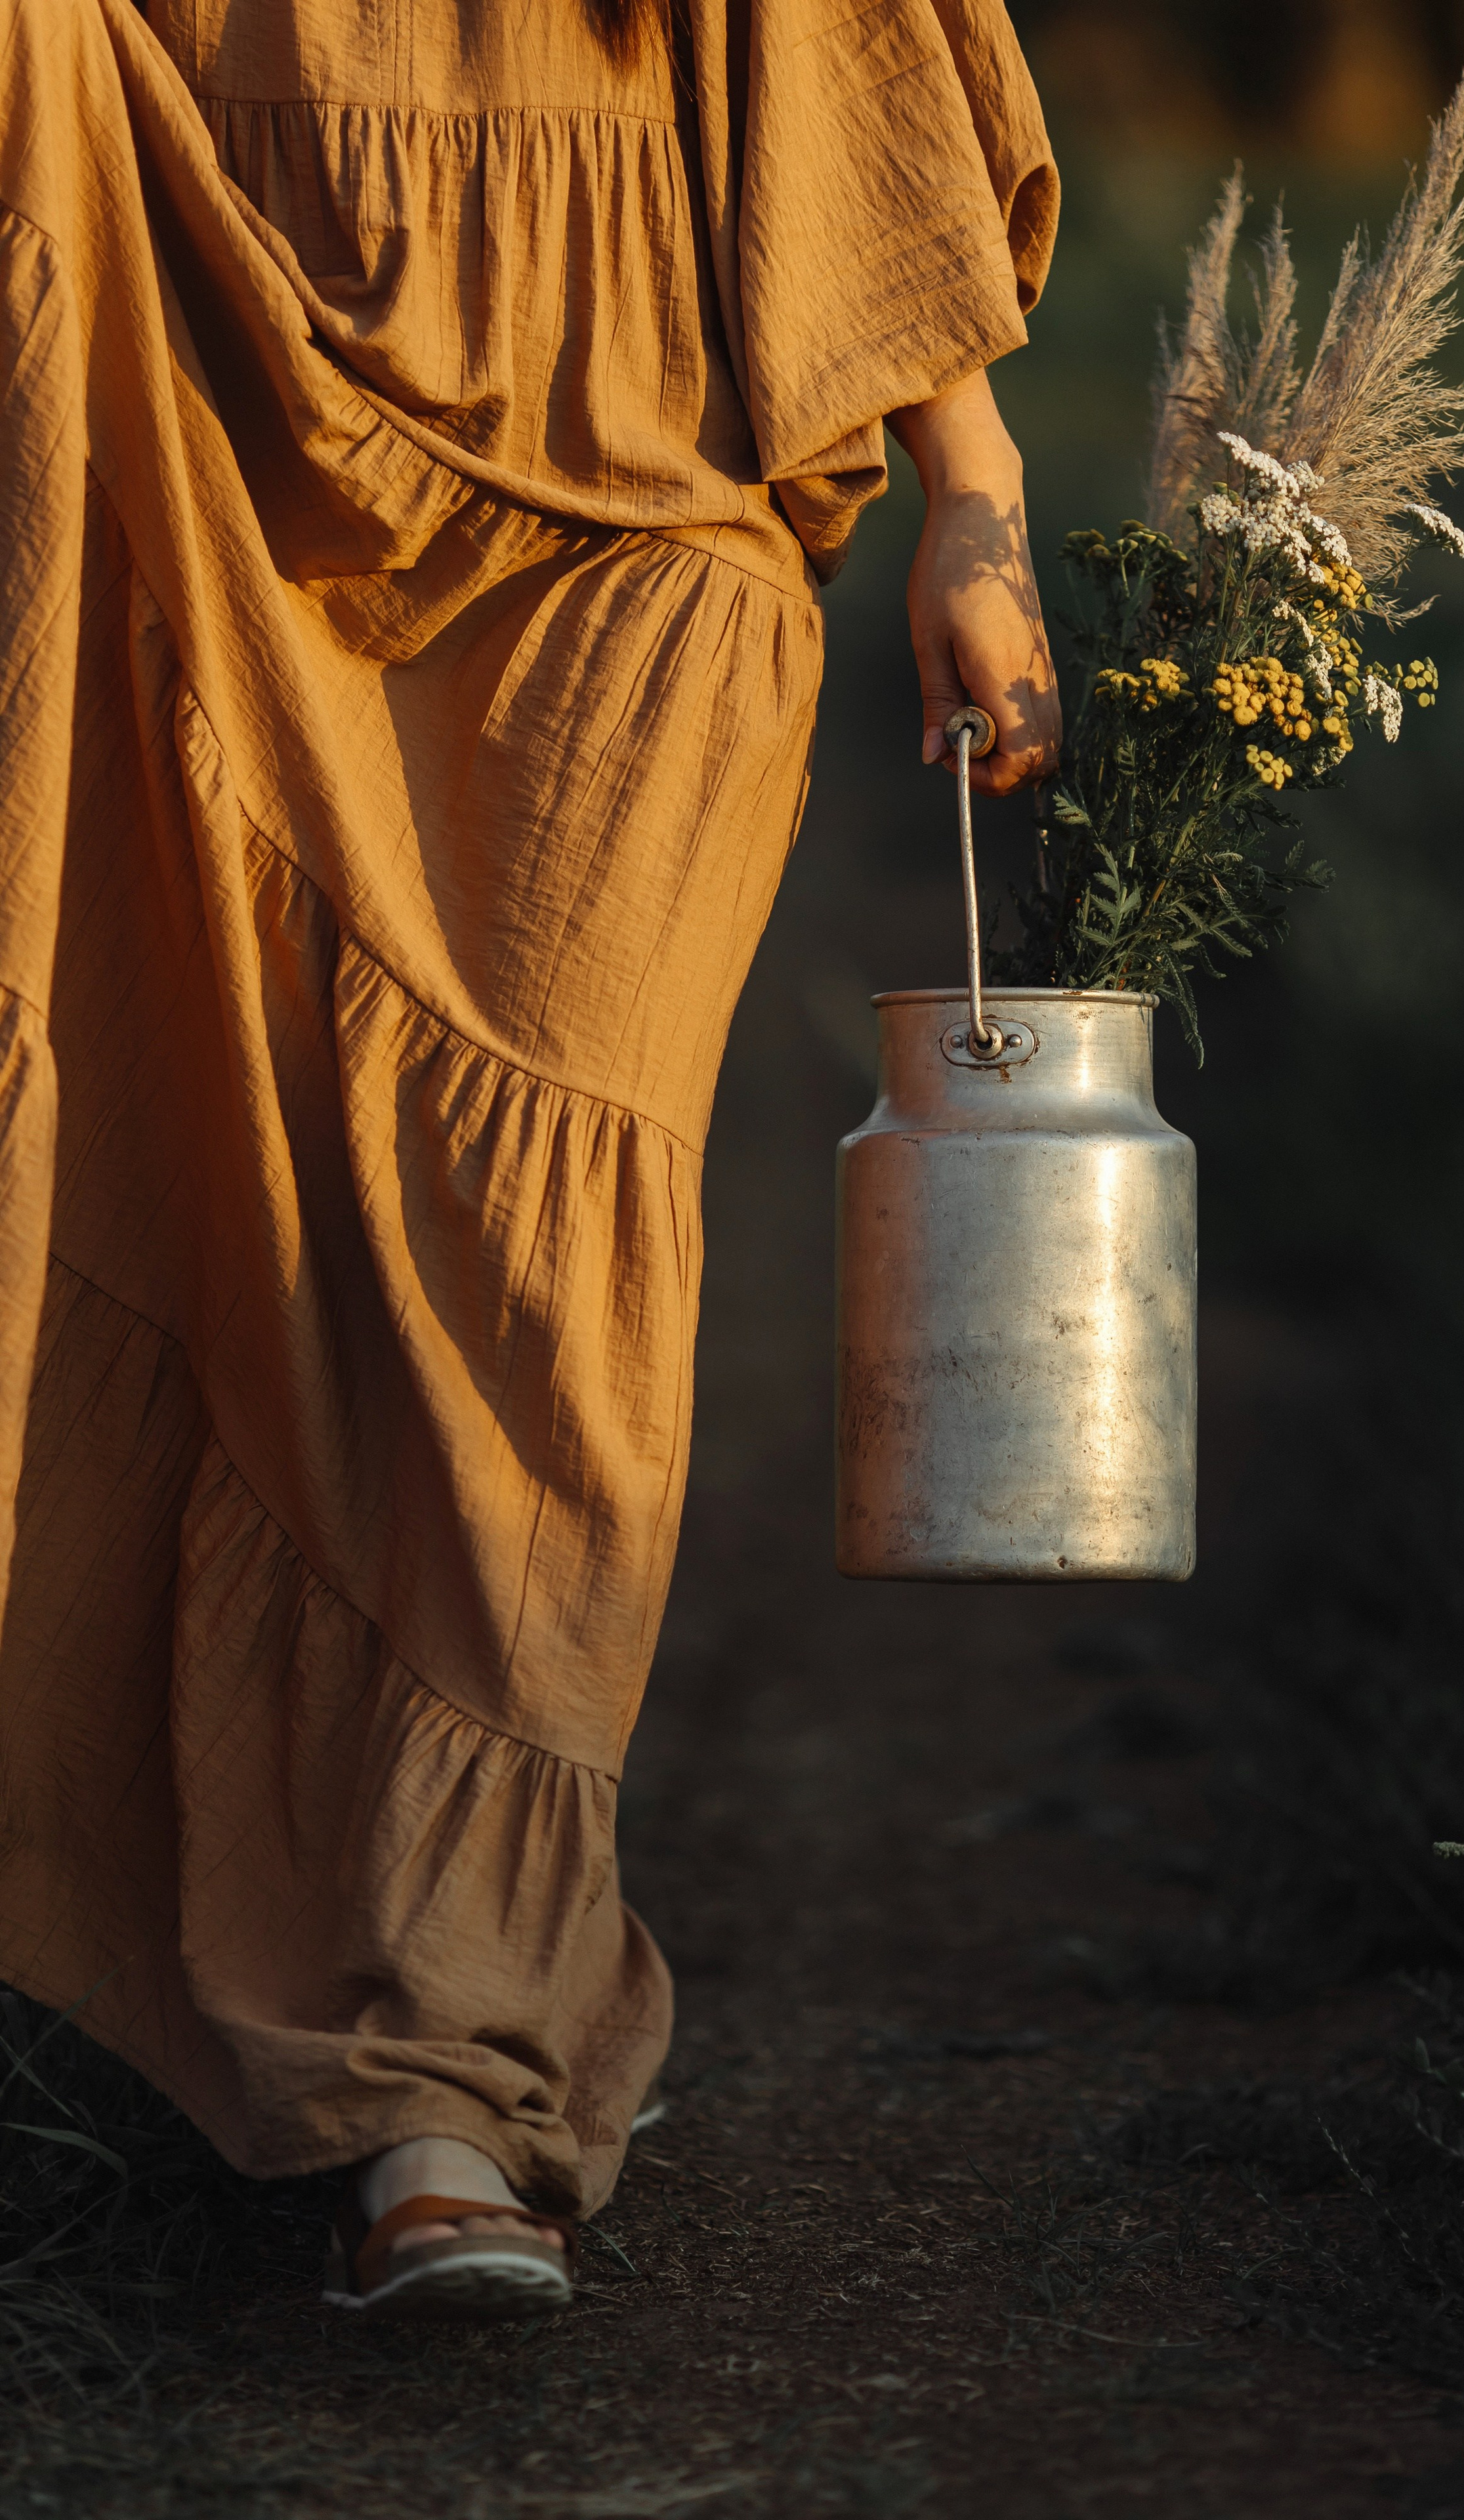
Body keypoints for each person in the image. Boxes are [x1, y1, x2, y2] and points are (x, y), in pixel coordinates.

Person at [0, 0, 1059, 2317]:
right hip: (226, 404)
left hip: (651, 507)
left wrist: (968, 494)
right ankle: (248, 1952)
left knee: (543, 1271)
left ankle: (438, 2079)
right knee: (256, 1196)